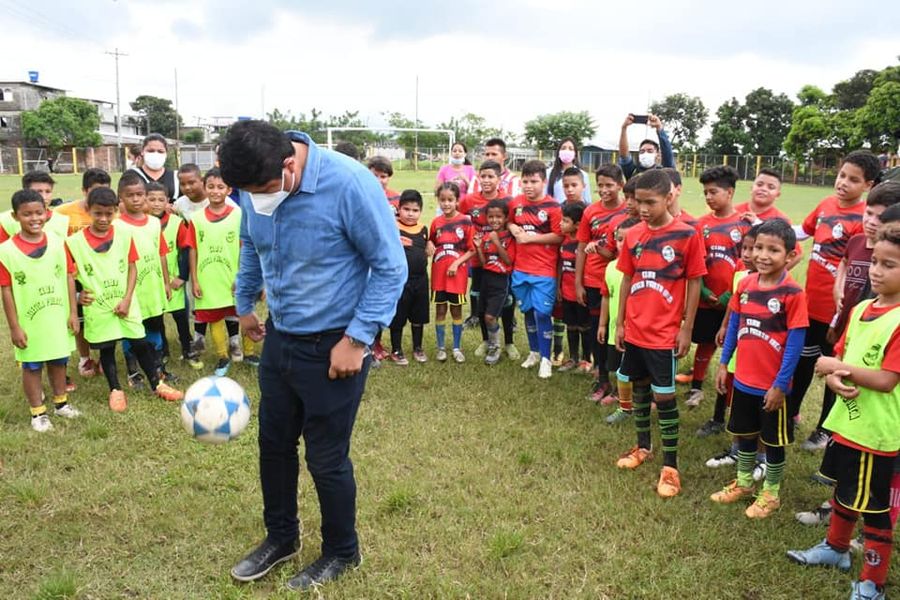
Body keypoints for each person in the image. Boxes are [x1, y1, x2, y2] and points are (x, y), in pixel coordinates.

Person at [219, 120, 406, 591]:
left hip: (335, 345)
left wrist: (357, 340)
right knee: (274, 445)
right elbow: (251, 245)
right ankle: (281, 538)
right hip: (281, 336)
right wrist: (245, 304)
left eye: (261, 190)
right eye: (247, 193)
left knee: (325, 457)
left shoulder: (350, 184)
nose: (256, 200)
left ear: (289, 164)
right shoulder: (256, 185)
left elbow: (390, 266)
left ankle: (342, 550)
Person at [787, 222, 900, 600]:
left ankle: (872, 583)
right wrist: (835, 376)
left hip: (876, 431)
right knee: (845, 491)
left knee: (875, 507)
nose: (876, 271)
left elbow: (886, 380)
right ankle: (836, 549)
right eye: (875, 262)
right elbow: (845, 355)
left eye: (889, 265)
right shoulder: (863, 307)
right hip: (849, 422)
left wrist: (837, 368)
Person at [614, 169, 706, 497]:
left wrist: (686, 327)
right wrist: (620, 323)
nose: (642, 208)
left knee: (664, 398)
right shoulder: (634, 235)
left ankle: (671, 467)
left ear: (669, 198)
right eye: (638, 201)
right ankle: (643, 447)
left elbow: (694, 281)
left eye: (650, 202)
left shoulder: (686, 235)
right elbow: (627, 279)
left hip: (664, 334)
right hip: (635, 330)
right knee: (639, 388)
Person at [711, 218, 807, 518]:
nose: (763, 256)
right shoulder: (745, 285)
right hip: (743, 380)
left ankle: (771, 493)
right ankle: (743, 483)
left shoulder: (793, 293)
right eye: (759, 248)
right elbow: (735, 326)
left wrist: (780, 385)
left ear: (790, 256)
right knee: (746, 434)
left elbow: (795, 344)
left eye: (773, 250)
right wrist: (724, 364)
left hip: (772, 387)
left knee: (773, 442)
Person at [792, 150, 881, 452]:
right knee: (803, 363)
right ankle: (792, 412)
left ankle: (824, 429)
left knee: (835, 371)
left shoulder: (866, 220)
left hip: (841, 316)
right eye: (842, 175)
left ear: (868, 185)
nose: (843, 182)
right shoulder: (825, 205)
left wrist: (838, 316)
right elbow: (803, 232)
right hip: (810, 306)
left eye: (853, 179)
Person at [65, 187, 182, 412]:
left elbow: (132, 267)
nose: (103, 218)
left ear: (116, 211)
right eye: (98, 213)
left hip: (126, 302)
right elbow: (69, 276)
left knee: (140, 343)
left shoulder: (125, 235)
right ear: (88, 210)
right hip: (98, 306)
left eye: (109, 213)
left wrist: (128, 298)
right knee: (107, 348)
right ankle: (115, 390)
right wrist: (77, 299)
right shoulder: (74, 242)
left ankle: (157, 384)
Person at [0, 189, 80, 432]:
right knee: (32, 366)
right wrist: (15, 327)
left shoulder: (58, 242)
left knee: (59, 360)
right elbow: (6, 291)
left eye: (39, 213)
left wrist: (73, 312)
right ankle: (38, 413)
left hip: (57, 317)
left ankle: (61, 403)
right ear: (15, 217)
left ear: (46, 213)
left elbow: (69, 277)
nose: (34, 218)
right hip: (30, 322)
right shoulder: (6, 251)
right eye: (27, 214)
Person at [684, 166, 748, 409]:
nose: (708, 197)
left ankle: (731, 388)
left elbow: (749, 265)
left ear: (729, 192)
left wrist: (730, 294)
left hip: (734, 301)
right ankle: (696, 387)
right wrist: (703, 291)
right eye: (705, 193)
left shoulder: (744, 225)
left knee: (733, 345)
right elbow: (696, 262)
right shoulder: (701, 225)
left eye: (713, 192)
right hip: (706, 298)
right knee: (705, 342)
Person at [187, 168, 257, 376]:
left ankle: (249, 352)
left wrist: (242, 275)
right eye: (211, 187)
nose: (215, 191)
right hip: (208, 277)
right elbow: (193, 249)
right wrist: (195, 279)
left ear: (229, 190)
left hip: (235, 275)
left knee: (244, 310)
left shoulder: (239, 215)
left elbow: (246, 247)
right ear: (204, 188)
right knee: (214, 314)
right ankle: (222, 356)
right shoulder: (196, 218)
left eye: (220, 187)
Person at [115, 172, 173, 388]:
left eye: (140, 194)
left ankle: (159, 369)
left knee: (155, 327)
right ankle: (134, 373)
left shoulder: (154, 223)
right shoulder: (117, 226)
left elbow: (161, 253)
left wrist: (165, 282)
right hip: (131, 292)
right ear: (121, 197)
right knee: (132, 331)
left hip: (153, 287)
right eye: (130, 195)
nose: (136, 199)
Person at [508, 159, 564, 379]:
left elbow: (559, 236)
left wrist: (530, 239)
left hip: (544, 270)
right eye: (525, 181)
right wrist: (513, 228)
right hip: (520, 269)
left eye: (534, 181)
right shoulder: (516, 203)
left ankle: (546, 359)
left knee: (542, 313)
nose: (529, 186)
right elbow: (509, 222)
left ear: (544, 181)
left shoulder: (553, 207)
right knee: (528, 311)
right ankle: (533, 352)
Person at [576, 165, 627, 400]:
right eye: (600, 185)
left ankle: (621, 382)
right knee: (599, 330)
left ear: (620, 185)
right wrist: (578, 283)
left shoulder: (629, 212)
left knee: (619, 332)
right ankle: (602, 378)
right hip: (594, 280)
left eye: (609, 185)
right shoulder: (590, 212)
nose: (604, 190)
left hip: (621, 281)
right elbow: (581, 248)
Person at [55, 168, 112, 379]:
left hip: (102, 273)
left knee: (106, 313)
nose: (100, 197)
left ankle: (106, 357)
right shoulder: (62, 213)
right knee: (80, 317)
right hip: (75, 275)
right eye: (95, 191)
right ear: (84, 190)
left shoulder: (111, 211)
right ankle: (84, 357)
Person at [830, 181, 900, 341]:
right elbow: (844, 262)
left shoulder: (890, 255)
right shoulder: (855, 241)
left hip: (872, 331)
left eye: (880, 217)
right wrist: (838, 287)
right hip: (847, 322)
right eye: (868, 213)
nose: (872, 222)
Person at [460, 160, 516, 358]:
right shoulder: (469, 200)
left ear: (499, 179)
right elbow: (458, 219)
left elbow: (514, 225)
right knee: (481, 303)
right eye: (482, 176)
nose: (486, 180)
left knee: (507, 302)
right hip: (480, 259)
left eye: (490, 176)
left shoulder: (508, 200)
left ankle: (509, 342)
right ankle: (487, 341)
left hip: (503, 263)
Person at [146, 181, 202, 370]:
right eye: (151, 199)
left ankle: (188, 349)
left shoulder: (176, 223)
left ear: (167, 201)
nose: (156, 203)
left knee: (180, 316)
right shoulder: (142, 224)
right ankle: (163, 351)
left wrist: (182, 276)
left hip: (174, 280)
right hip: (152, 281)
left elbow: (186, 250)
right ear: (145, 200)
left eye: (160, 199)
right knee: (156, 318)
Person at [600, 216, 640, 424]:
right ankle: (620, 395)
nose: (622, 244)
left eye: (627, 240)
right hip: (616, 329)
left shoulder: (642, 269)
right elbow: (606, 296)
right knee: (616, 366)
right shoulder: (610, 267)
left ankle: (640, 398)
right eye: (619, 239)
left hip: (637, 330)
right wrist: (602, 324)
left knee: (636, 367)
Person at [430, 182, 475, 363]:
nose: (446, 203)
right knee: (440, 309)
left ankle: (456, 347)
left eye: (450, 200)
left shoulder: (465, 221)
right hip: (439, 275)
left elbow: (472, 250)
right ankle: (441, 348)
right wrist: (429, 244)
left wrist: (456, 263)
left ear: (457, 201)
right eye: (443, 200)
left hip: (457, 276)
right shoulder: (436, 222)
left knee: (456, 311)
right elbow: (431, 241)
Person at [389, 190, 432, 365]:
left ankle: (418, 348)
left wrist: (429, 248)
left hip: (420, 280)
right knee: (398, 316)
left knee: (418, 316)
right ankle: (396, 350)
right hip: (400, 280)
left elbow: (426, 249)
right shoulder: (393, 228)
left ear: (420, 211)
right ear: (399, 209)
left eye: (415, 210)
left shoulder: (423, 229)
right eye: (406, 209)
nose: (410, 214)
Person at [475, 199, 516, 365]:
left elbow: (508, 261)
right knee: (483, 314)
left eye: (498, 217)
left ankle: (496, 347)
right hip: (486, 279)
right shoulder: (486, 237)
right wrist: (479, 247)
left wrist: (497, 242)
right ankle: (491, 344)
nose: (494, 220)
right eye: (491, 217)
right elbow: (484, 263)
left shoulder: (509, 237)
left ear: (505, 218)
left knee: (490, 316)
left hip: (501, 281)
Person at [557, 202, 591, 372]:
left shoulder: (583, 244)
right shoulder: (563, 241)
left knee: (584, 326)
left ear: (578, 225)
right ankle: (573, 358)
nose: (560, 224)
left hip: (581, 292)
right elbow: (560, 265)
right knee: (570, 325)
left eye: (565, 221)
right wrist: (558, 286)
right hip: (566, 291)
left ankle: (587, 360)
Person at [1, 172, 70, 243]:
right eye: (38, 191)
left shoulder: (63, 220)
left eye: (48, 191)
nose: (44, 197)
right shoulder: (4, 220)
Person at [617, 114, 675, 180]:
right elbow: (624, 156)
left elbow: (667, 153)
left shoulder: (664, 172)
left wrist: (659, 128)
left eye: (650, 151)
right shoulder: (632, 171)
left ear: (657, 154)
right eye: (642, 151)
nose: (645, 153)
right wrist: (624, 128)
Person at [129, 133, 179, 201]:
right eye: (151, 151)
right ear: (142, 152)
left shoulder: (176, 177)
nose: (155, 154)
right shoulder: (131, 175)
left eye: (160, 151)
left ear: (166, 153)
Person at [545, 137, 591, 204]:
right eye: (563, 148)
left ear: (575, 154)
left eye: (570, 149)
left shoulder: (583, 175)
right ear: (558, 153)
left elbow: (587, 200)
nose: (567, 151)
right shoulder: (548, 173)